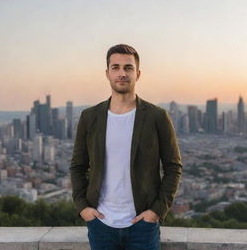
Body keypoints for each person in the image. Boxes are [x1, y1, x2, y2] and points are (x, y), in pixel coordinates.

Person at [70, 44, 183, 250]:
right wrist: (83, 207)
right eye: (116, 67)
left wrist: (157, 211)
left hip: (143, 225)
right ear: (107, 73)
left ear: (138, 74)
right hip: (101, 224)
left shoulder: (156, 117)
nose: (122, 73)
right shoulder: (90, 117)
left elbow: (173, 166)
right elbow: (78, 166)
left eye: (128, 68)